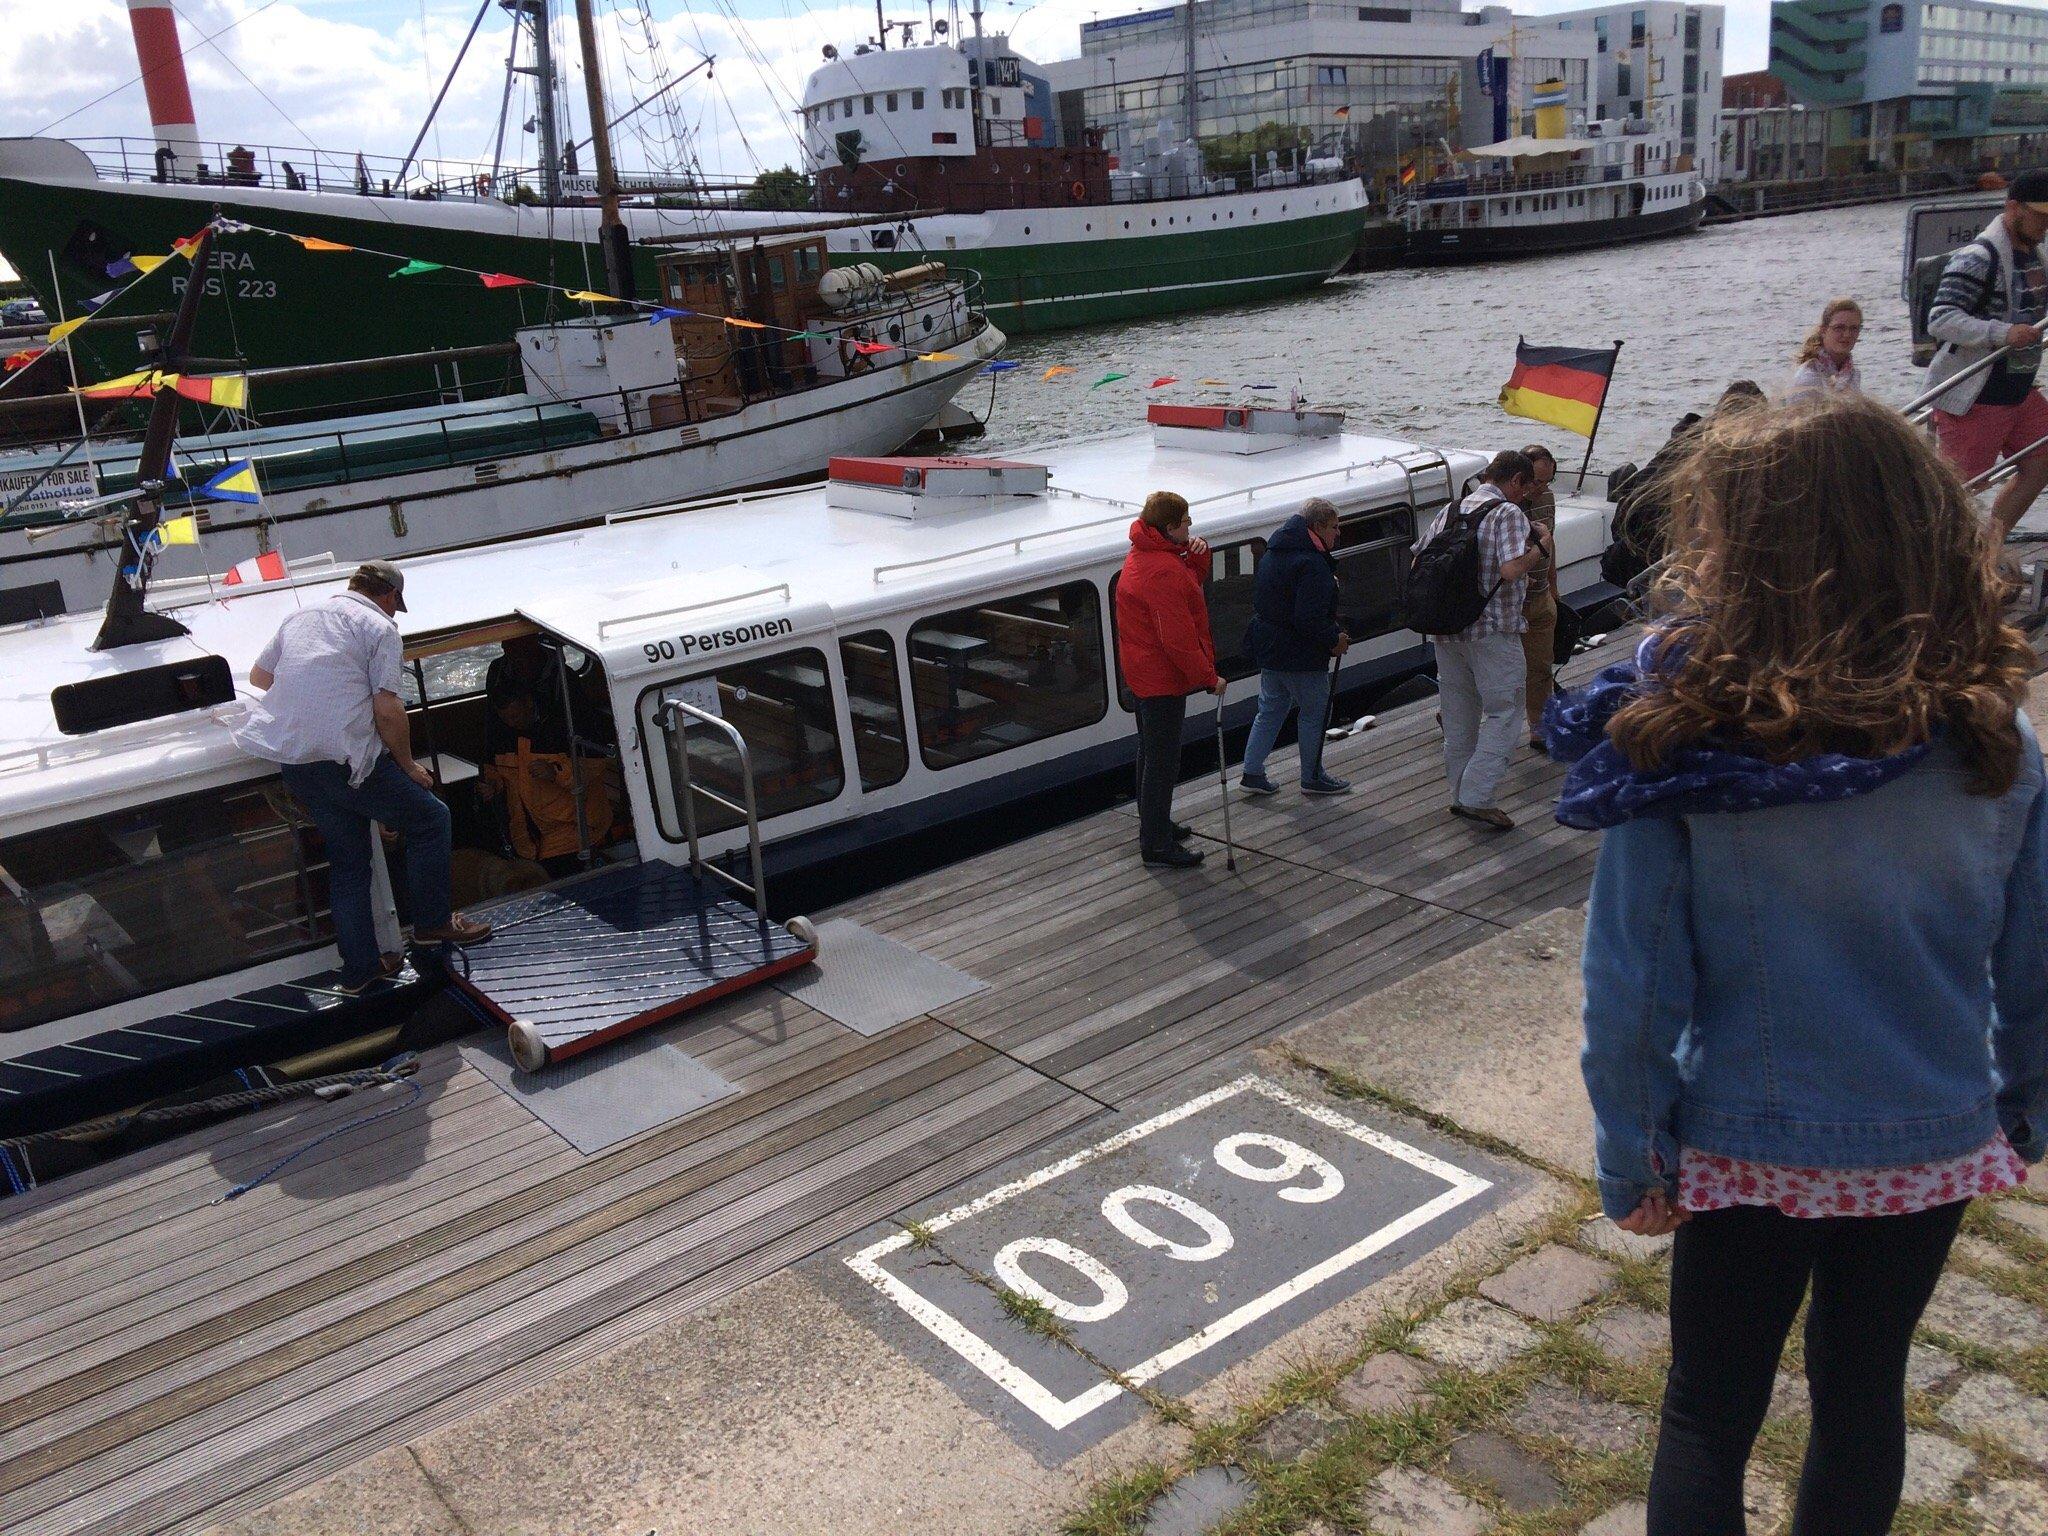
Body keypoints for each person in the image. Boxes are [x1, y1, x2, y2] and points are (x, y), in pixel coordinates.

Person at [1553, 394, 2046, 1536]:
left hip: (1743, 1146)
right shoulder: (1990, 737)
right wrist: (2021, 1107)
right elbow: (2032, 967)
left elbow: (1630, 983)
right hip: (1925, 1137)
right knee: (1862, 1393)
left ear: (1737, 559)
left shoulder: (1685, 748)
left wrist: (1632, 1151)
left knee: (1705, 1416)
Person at [233, 560, 491, 991]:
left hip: (298, 764)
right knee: (432, 819)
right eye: (395, 605)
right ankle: (432, 925)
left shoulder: (301, 616)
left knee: (349, 865)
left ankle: (362, 969)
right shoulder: (379, 628)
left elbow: (261, 678)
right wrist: (409, 767)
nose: (394, 613)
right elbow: (387, 708)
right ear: (388, 595)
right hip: (347, 762)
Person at [1423, 450, 1550, 830]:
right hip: (1492, 630)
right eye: (1526, 490)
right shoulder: (1507, 513)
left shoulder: (1452, 509)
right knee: (1505, 711)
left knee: (1460, 714)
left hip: (1447, 630)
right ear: (1515, 481)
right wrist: (1540, 547)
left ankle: (1460, 794)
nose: (1526, 498)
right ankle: (1477, 796)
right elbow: (1511, 569)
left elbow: (1419, 560)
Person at [1925, 167, 2048, 541]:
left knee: (2042, 461)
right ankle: (1938, 560)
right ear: (2013, 209)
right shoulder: (1979, 256)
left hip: (2018, 389)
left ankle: (1989, 548)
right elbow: (1940, 318)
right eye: (2041, 215)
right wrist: (2002, 332)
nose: (2047, 224)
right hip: (1978, 395)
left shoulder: (2034, 255)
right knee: (1959, 491)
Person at [1115, 491, 1225, 868]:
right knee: (1163, 763)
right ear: (1169, 527)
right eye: (1185, 520)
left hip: (1142, 675)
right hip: (1161, 680)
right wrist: (1209, 678)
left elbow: (1184, 588)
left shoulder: (1146, 556)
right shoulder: (1162, 570)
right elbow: (1177, 640)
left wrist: (1196, 557)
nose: (1190, 525)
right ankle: (1157, 844)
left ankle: (1155, 825)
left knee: (1149, 755)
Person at [1239, 497, 1351, 797]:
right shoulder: (1312, 565)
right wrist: (1333, 640)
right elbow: (1308, 619)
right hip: (1300, 655)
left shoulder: (1275, 552)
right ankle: (1312, 776)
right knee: (1315, 712)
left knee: (1270, 709)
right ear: (1316, 527)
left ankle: (1252, 771)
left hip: (1270, 648)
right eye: (1333, 527)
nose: (1337, 533)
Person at [1518, 446, 1561, 750]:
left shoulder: (1547, 499)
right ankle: (1455, 711)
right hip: (1510, 603)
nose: (1541, 489)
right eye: (1536, 482)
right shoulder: (1506, 507)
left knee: (1541, 666)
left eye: (1547, 481)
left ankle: (1538, 727)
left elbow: (1551, 543)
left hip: (1540, 597)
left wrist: (1553, 587)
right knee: (1500, 670)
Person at [1786, 297, 1863, 399]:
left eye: (1854, 328)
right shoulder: (1808, 378)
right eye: (1839, 328)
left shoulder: (1853, 375)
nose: (1847, 334)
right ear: (1823, 330)